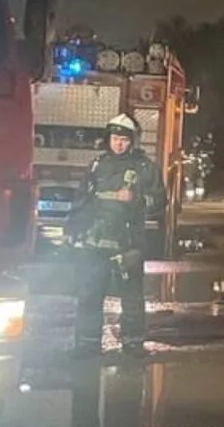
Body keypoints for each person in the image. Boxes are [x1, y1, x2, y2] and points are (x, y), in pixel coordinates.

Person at [65, 113, 163, 357]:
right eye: (115, 138)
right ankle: (86, 345)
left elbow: (160, 200)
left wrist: (138, 199)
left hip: (128, 244)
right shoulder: (97, 166)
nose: (119, 144)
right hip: (95, 242)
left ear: (132, 142)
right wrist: (73, 229)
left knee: (131, 297)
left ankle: (132, 344)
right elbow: (82, 200)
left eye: (124, 139)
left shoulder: (144, 168)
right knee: (89, 295)